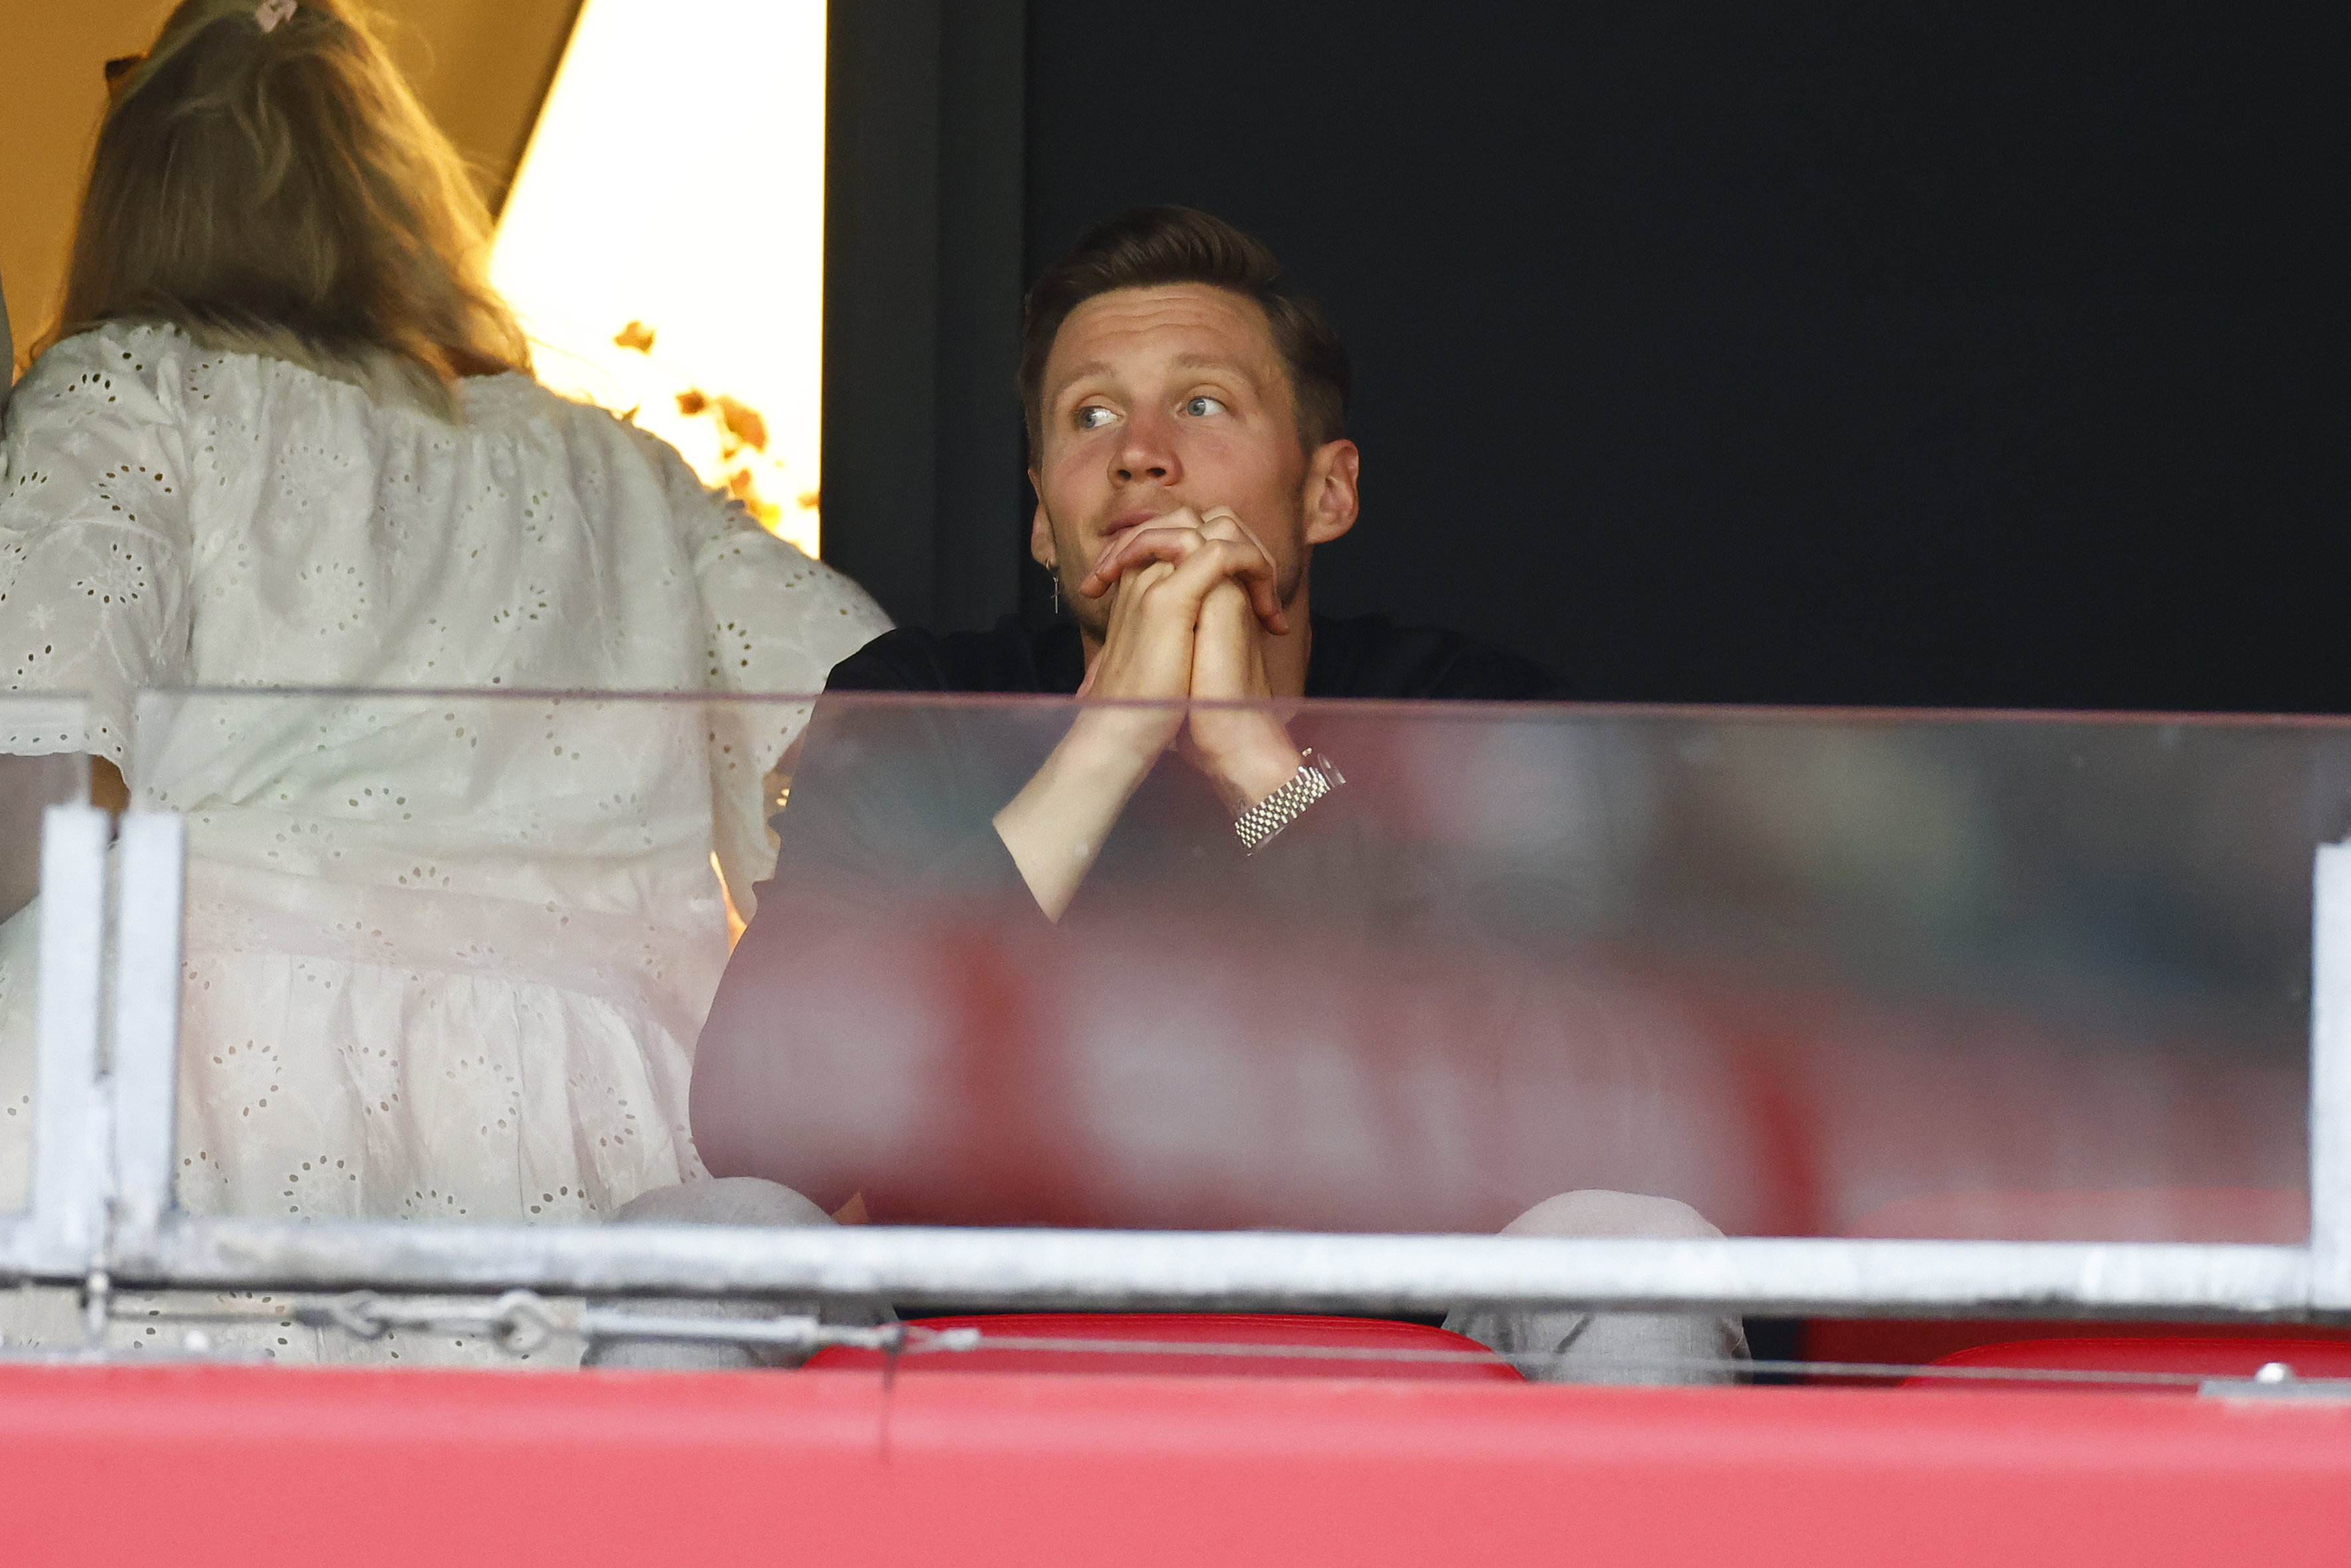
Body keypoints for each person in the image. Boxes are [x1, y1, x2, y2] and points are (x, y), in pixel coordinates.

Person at [608, 208, 1747, 1384]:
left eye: (1201, 404)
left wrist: (1257, 764)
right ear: (1045, 519)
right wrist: (1101, 752)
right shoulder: (928, 704)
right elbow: (762, 1123)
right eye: (1090, 414)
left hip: (1401, 1324)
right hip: (975, 1313)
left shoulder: (1461, 713)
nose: (1140, 451)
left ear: (1326, 492)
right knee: (704, 1240)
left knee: (1638, 1251)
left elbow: (1579, 1115)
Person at [0, 0, 888, 1363]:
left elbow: (46, 775)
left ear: (136, 201)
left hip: (216, 1090)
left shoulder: (123, 393)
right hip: (607, 1105)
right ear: (399, 193)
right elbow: (879, 746)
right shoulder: (614, 470)